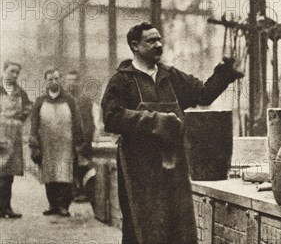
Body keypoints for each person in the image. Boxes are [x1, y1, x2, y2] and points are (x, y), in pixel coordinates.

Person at [101, 22, 243, 244]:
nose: (158, 45)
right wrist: (155, 120)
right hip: (139, 169)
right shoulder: (122, 80)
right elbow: (111, 118)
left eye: (159, 40)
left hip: (172, 167)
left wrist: (223, 74)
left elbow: (203, 95)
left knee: (177, 228)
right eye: (151, 41)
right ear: (135, 46)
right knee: (141, 228)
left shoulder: (170, 76)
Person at [29, 68, 84, 217]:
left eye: (56, 78)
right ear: (45, 81)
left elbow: (77, 122)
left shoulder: (69, 100)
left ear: (60, 79)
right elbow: (34, 123)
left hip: (66, 143)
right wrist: (34, 143)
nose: (53, 82)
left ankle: (64, 206)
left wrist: (79, 142)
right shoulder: (40, 101)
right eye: (50, 79)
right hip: (47, 144)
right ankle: (53, 205)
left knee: (65, 174)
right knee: (49, 174)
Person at [0, 60, 32, 218]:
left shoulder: (20, 92)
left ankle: (5, 207)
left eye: (17, 73)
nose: (14, 75)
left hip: (13, 138)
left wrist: (23, 115)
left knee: (8, 175)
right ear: (4, 70)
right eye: (12, 71)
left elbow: (28, 106)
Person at [65, 70, 95, 202]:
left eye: (74, 80)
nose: (72, 83)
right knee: (68, 166)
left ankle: (83, 191)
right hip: (65, 139)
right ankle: (71, 192)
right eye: (69, 80)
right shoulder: (62, 99)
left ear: (79, 82)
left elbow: (89, 122)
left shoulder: (85, 100)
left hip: (81, 140)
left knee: (83, 166)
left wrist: (84, 141)